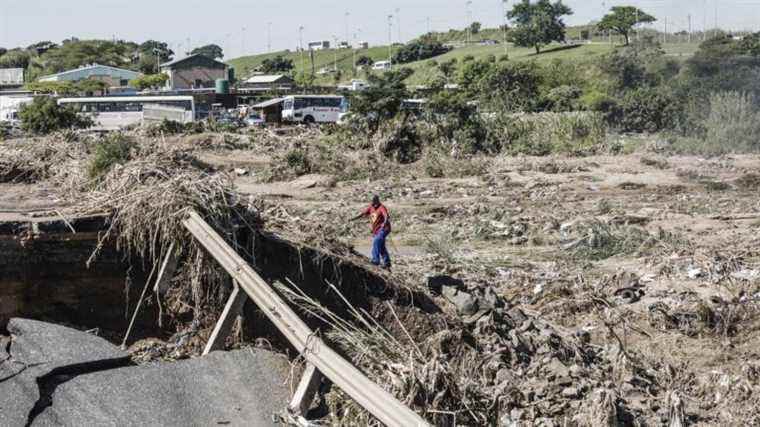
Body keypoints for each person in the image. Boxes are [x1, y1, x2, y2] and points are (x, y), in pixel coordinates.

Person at [351, 195, 392, 269]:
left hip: (384, 228)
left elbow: (386, 216)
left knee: (376, 241)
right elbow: (363, 214)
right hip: (376, 230)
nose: (374, 204)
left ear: (378, 200)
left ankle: (375, 260)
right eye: (372, 202)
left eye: (375, 202)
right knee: (381, 245)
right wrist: (353, 218)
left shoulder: (382, 207)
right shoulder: (371, 207)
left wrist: (384, 223)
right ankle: (387, 262)